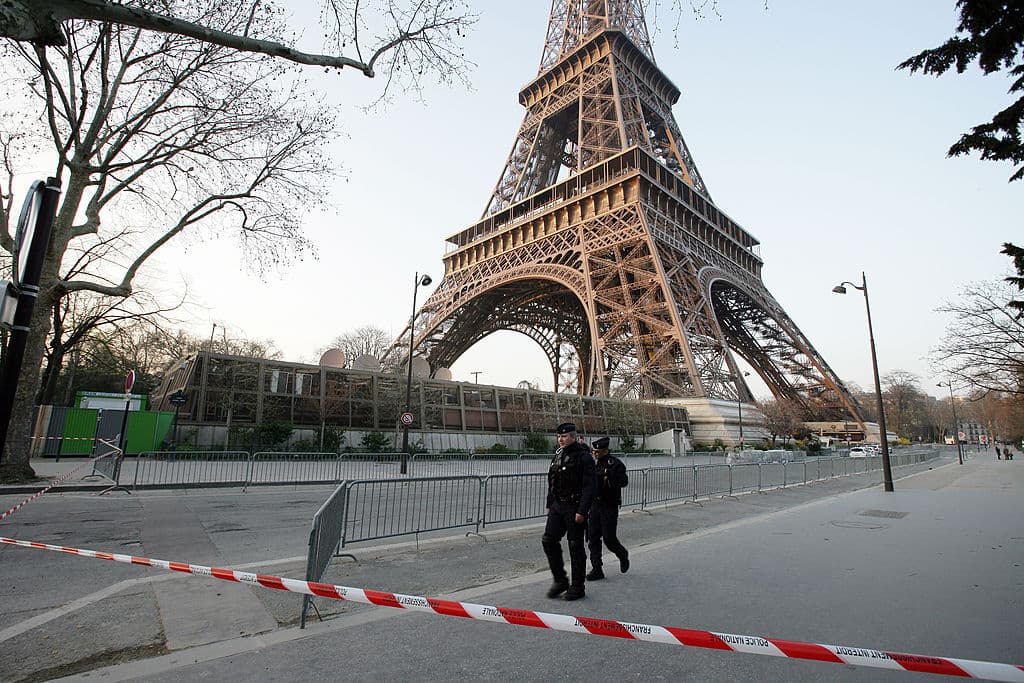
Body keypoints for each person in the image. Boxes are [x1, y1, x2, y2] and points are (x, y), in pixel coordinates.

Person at [542, 422, 597, 601]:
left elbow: (590, 486)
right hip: (558, 506)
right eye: (559, 436)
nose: (560, 439)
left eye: (564, 436)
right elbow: (552, 479)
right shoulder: (558, 455)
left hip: (574, 506)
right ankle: (560, 580)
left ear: (573, 437)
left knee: (575, 546)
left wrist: (582, 510)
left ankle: (577, 586)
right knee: (548, 540)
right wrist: (550, 503)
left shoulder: (584, 457)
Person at [586, 436, 630, 581]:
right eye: (593, 451)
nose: (594, 454)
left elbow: (624, 482)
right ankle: (597, 568)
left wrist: (610, 475)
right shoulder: (593, 464)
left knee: (609, 539)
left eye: (597, 452)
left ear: (605, 451)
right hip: (595, 505)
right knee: (592, 538)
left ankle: (622, 554)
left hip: (609, 506)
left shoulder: (615, 464)